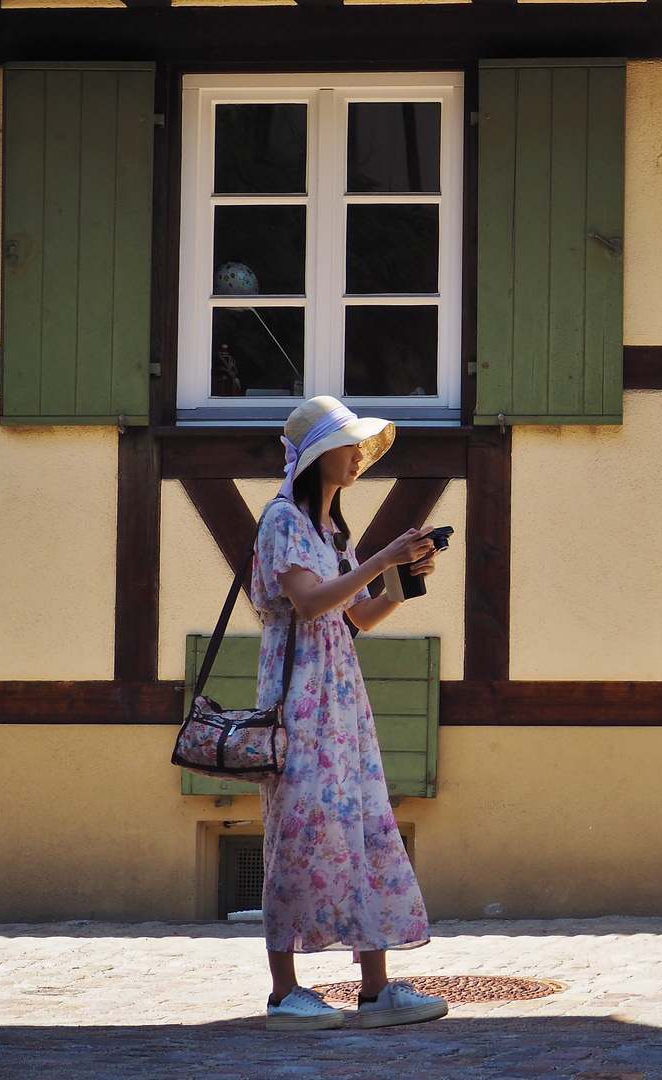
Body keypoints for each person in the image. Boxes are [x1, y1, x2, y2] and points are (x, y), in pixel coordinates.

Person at [253, 394, 449, 1031]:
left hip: (340, 696)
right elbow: (309, 603)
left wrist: (404, 575)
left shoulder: (328, 527)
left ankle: (376, 987)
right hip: (300, 698)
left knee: (364, 827)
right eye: (348, 444)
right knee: (298, 833)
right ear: (316, 457)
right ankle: (285, 991)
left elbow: (358, 614)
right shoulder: (283, 519)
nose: (358, 455)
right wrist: (380, 560)